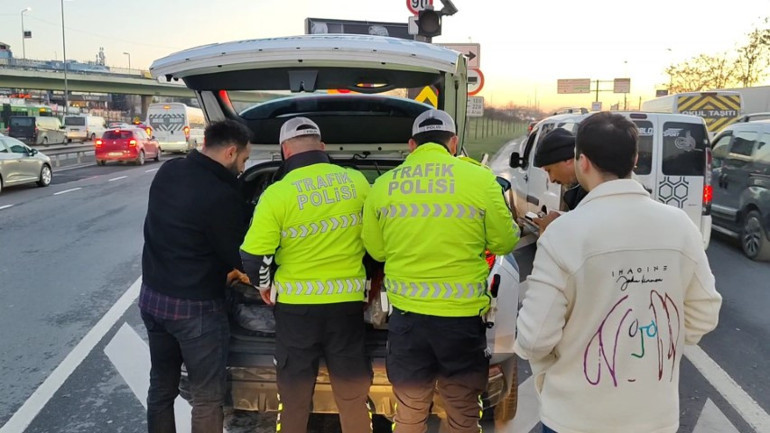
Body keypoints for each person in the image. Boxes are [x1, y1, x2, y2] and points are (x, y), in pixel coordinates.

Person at [514, 112, 722, 433]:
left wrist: (561, 361)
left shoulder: (564, 233)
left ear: (582, 161)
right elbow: (704, 314)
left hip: (575, 417)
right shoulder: (680, 225)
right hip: (655, 418)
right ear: (635, 159)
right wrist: (653, 346)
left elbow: (534, 338)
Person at [362, 109, 520, 433]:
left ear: (411, 145)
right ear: (453, 143)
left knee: (408, 412)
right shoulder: (480, 180)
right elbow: (504, 241)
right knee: (462, 411)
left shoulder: (382, 186)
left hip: (407, 321)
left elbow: (376, 251)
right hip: (460, 324)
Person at [239, 117, 373, 433]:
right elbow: (377, 241)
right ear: (322, 147)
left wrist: (263, 285)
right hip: (347, 306)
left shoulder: (277, 193)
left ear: (285, 151)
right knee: (353, 397)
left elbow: (253, 253)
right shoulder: (357, 183)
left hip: (296, 311)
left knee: (295, 398)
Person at [140, 119, 253, 433]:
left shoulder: (169, 171)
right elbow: (239, 256)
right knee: (207, 398)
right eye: (244, 160)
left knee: (161, 387)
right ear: (231, 152)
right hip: (196, 311)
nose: (244, 168)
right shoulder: (221, 194)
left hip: (153, 300)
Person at [531, 128, 588, 233]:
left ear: (567, 160)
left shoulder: (591, 192)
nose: (551, 180)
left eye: (549, 170)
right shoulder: (583, 190)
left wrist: (554, 229)